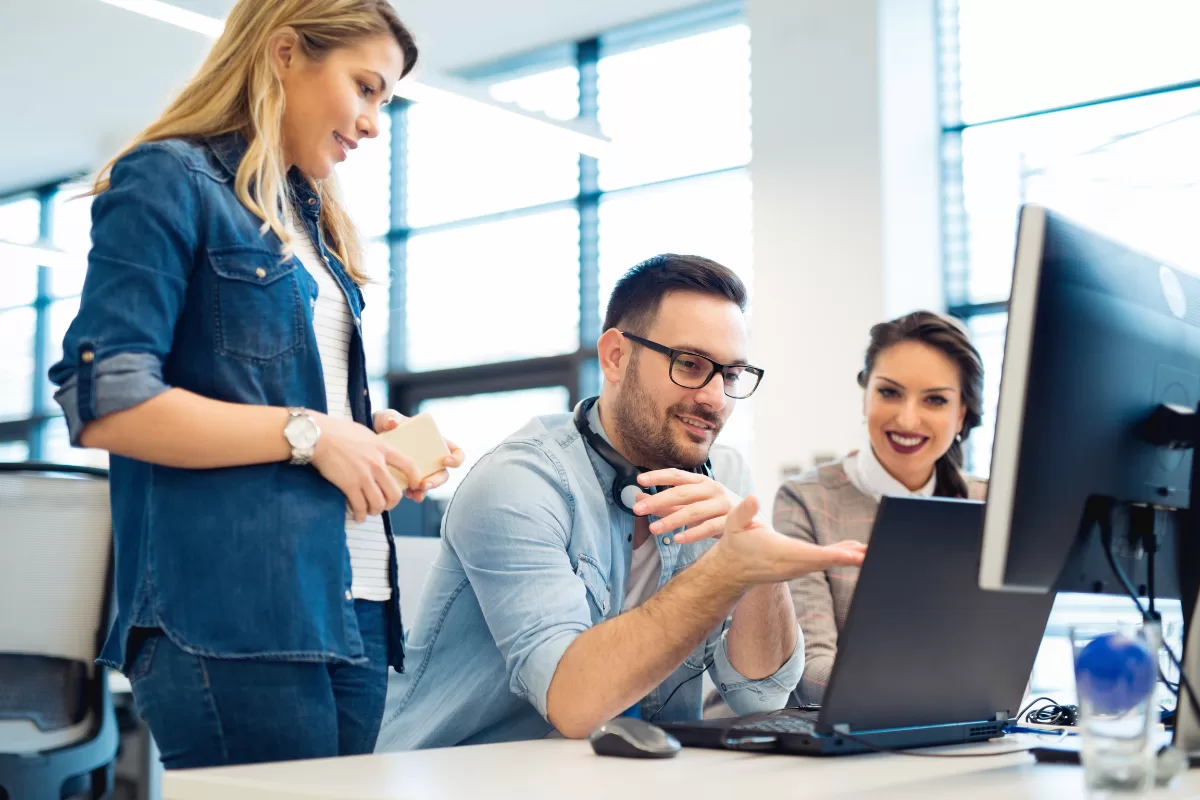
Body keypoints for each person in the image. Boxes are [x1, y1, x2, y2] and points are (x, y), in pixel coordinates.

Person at [47, 0, 463, 768]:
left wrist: (366, 437)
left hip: (356, 605)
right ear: (283, 52)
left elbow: (289, 400)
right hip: (235, 609)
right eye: (365, 87)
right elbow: (108, 400)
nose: (375, 122)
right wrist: (310, 433)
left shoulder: (316, 225)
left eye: (386, 102)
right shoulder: (167, 178)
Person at [375, 254, 866, 751]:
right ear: (614, 357)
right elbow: (574, 703)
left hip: (625, 774)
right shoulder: (518, 483)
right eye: (690, 365)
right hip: (455, 776)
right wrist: (726, 572)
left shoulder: (726, 475)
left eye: (732, 375)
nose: (716, 399)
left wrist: (762, 569)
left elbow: (762, 697)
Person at [776, 311, 986, 705]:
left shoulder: (988, 504)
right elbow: (809, 673)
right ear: (865, 395)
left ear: (961, 415)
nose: (907, 419)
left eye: (935, 400)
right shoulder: (806, 500)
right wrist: (936, 685)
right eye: (889, 392)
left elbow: (1008, 671)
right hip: (852, 741)